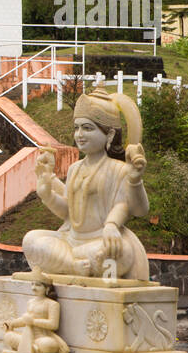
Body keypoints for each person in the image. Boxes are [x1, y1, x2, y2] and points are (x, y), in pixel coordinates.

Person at [23, 88, 150, 281]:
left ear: (109, 135)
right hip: (71, 241)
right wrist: (47, 194)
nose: (80, 134)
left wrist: (112, 223)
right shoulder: (75, 169)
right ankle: (73, 266)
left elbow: (135, 209)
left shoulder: (119, 169)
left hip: (101, 240)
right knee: (31, 240)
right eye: (77, 128)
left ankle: (68, 264)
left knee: (122, 252)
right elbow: (69, 213)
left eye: (88, 128)